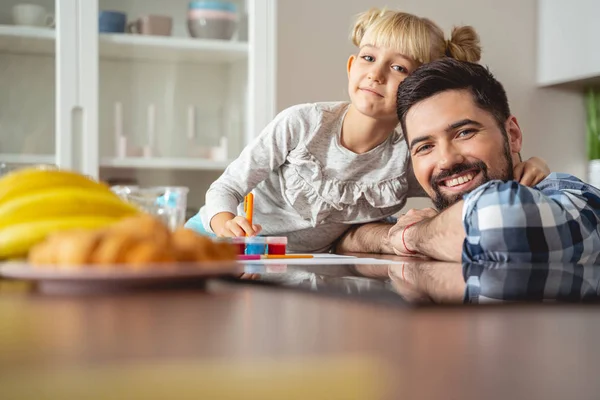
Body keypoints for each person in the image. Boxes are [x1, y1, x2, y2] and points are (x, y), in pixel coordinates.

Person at [186, 8, 545, 253]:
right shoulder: (301, 124)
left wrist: (527, 166)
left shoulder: (410, 156)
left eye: (399, 67)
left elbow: (462, 189)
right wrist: (223, 221)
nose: (376, 74)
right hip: (210, 241)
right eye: (369, 58)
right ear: (351, 66)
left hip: (288, 266)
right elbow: (227, 187)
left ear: (419, 89)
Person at [338, 58, 600, 263]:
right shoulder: (436, 227)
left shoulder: (575, 197)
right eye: (425, 147)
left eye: (464, 132)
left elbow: (500, 224)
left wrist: (409, 238)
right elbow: (346, 236)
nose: (446, 160)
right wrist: (391, 237)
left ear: (512, 135)